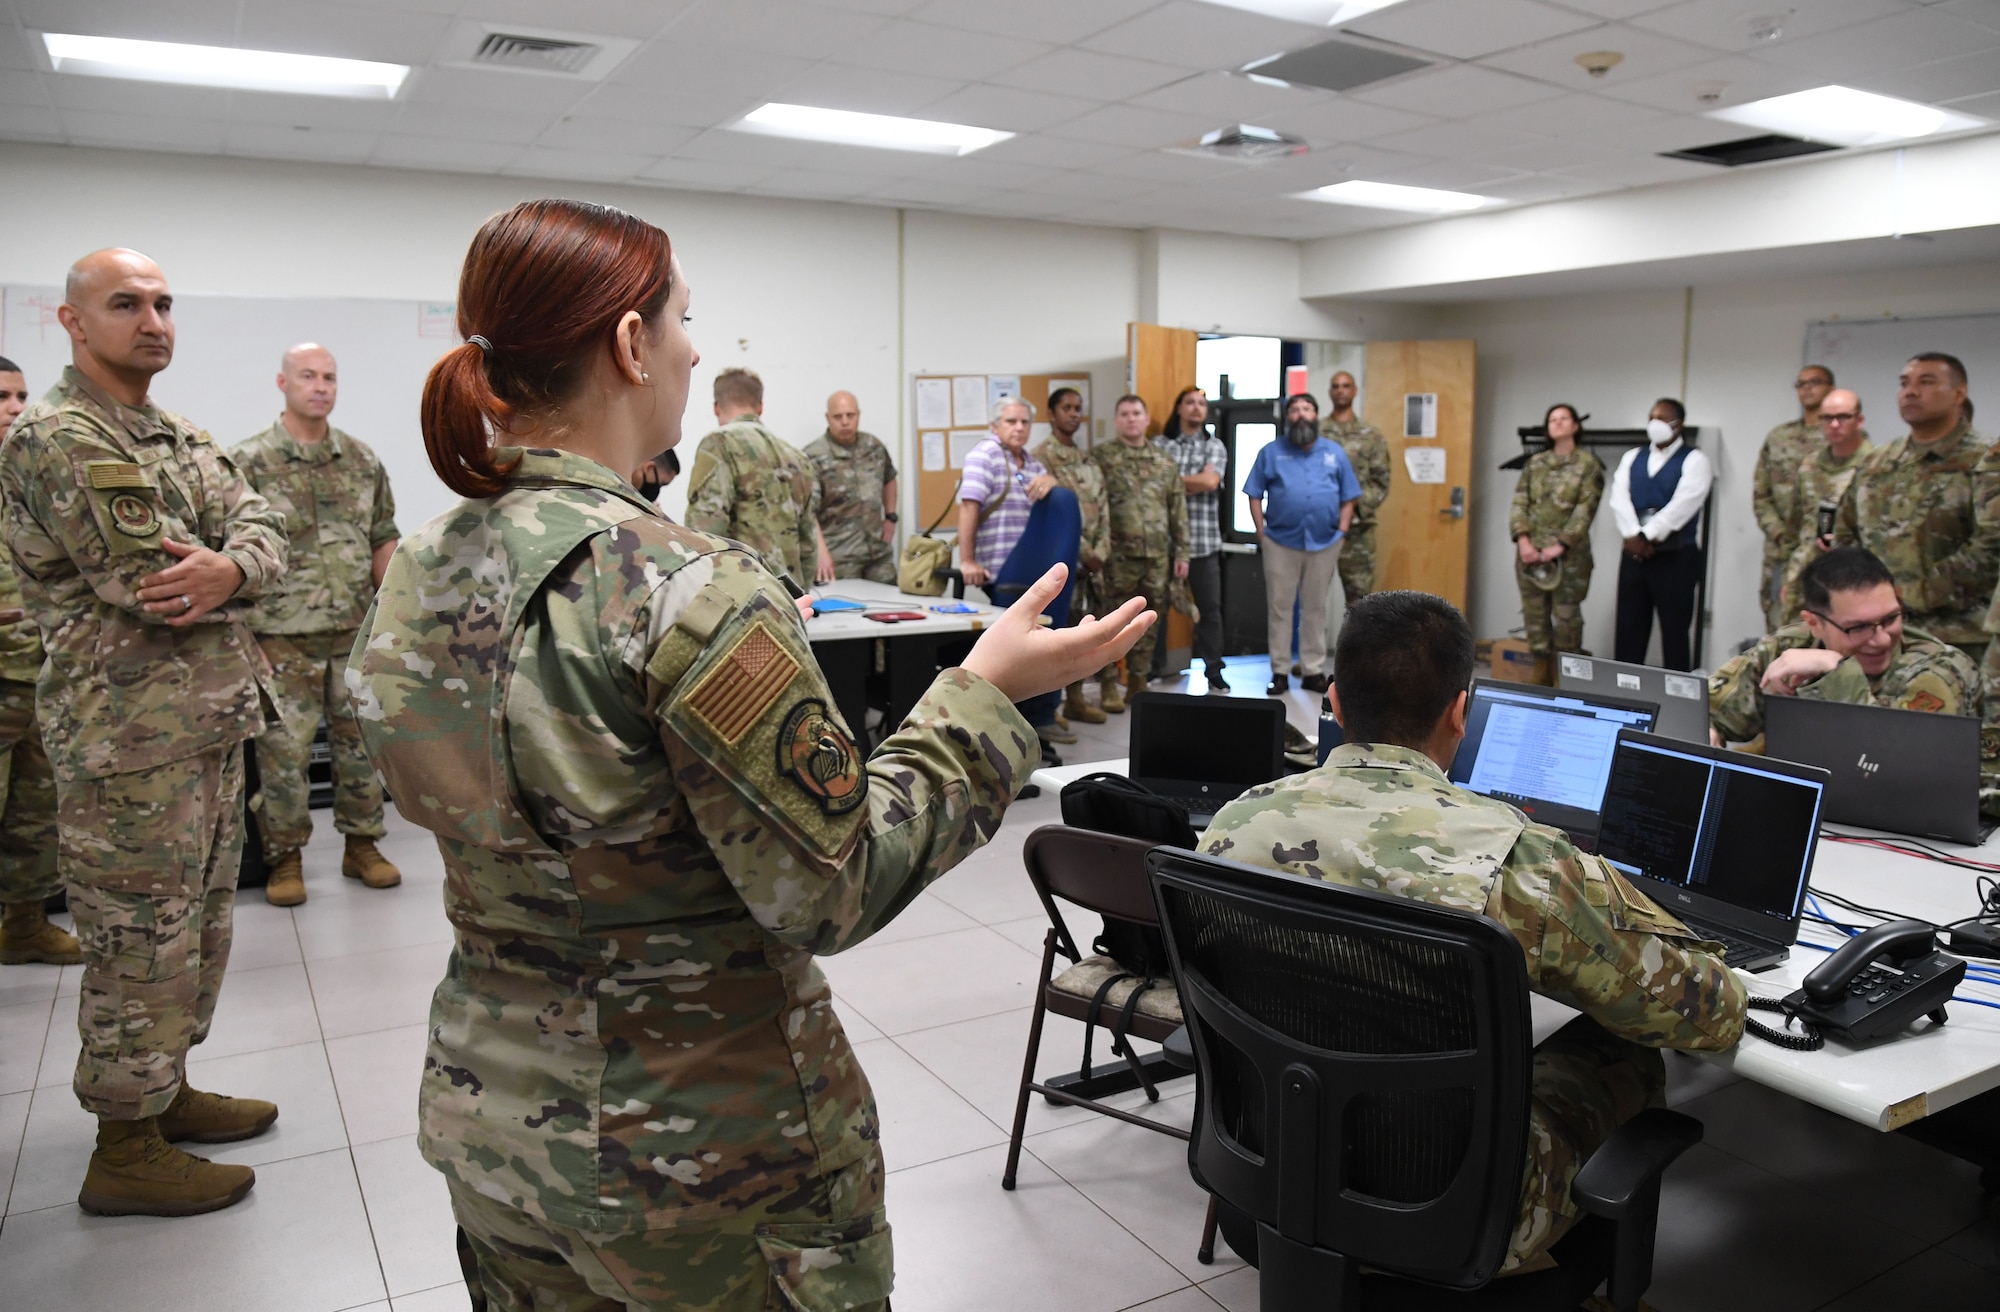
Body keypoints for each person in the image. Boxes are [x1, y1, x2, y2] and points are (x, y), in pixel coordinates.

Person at [349, 198, 1153, 1310]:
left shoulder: (420, 568)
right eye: (682, 320)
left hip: (495, 1132)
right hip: (707, 1161)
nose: (690, 348)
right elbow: (833, 885)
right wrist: (984, 695)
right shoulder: (682, 587)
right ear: (630, 346)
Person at [1199, 590, 1744, 1277]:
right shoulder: (1521, 862)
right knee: (1625, 1056)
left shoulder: (1233, 824)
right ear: (1461, 711)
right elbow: (1710, 1016)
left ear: (1334, 703)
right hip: (1452, 1207)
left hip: (1268, 1158)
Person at [0, 249, 289, 1216]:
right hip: (126, 742)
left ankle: (162, 1095)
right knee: (137, 943)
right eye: (126, 304)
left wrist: (236, 566)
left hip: (201, 725)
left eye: (164, 303)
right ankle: (122, 1148)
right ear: (73, 322)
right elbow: (149, 581)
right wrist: (226, 566)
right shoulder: (58, 435)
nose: (153, 320)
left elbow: (264, 521)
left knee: (198, 930)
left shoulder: (168, 430)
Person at [229, 344, 401, 907]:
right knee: (284, 755)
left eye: (329, 377)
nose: (320, 386)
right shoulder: (249, 461)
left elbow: (382, 535)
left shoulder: (360, 459)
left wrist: (393, 608)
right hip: (281, 636)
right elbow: (232, 549)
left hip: (351, 629)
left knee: (360, 748)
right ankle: (284, 858)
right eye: (308, 376)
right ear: (283, 382)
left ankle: (363, 846)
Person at [1708, 546, 1975, 746]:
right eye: (1858, 627)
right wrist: (1709, 733)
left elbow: (1896, 761)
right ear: (1814, 624)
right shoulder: (1789, 647)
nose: (1881, 638)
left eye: (1891, 618)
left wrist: (1836, 671)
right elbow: (1705, 712)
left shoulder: (1940, 669)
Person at [1836, 352, 1992, 664]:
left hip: (1957, 639)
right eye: (1904, 383)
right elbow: (1845, 532)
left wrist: (1911, 595)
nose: (1910, 391)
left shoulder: (1986, 461)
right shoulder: (1877, 462)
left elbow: (1991, 547)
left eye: (1926, 381)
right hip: (1875, 636)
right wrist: (1866, 597)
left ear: (1959, 393)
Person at [0, 356, 76, 967]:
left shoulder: (36, 479)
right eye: (2, 396)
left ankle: (23, 924)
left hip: (39, 675)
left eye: (21, 394)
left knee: (34, 814)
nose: (15, 407)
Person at [958, 397, 1070, 758]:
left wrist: (1051, 480)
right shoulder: (984, 456)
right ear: (995, 426)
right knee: (1012, 655)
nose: (1019, 427)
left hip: (1032, 574)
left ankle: (1034, 723)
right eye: (1010, 421)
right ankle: (1006, 733)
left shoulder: (1032, 463)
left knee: (1039, 649)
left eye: (1024, 421)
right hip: (1000, 570)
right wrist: (967, 559)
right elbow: (969, 507)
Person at [1244, 392, 1359, 696]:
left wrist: (1342, 531)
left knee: (1315, 609)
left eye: (1306, 408)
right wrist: (1261, 531)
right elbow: (1254, 492)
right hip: (1280, 543)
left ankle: (1312, 671)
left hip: (1324, 543)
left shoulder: (1334, 452)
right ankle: (1280, 671)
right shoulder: (1271, 451)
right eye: (1294, 409)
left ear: (1316, 415)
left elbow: (1350, 495)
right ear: (1287, 417)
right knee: (1280, 608)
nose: (1300, 413)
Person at [1094, 394, 1188, 713]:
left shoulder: (1164, 462)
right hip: (1116, 558)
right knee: (1109, 622)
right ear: (1117, 420)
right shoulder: (1101, 458)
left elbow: (1178, 510)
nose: (1131, 419)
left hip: (1157, 557)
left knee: (1147, 623)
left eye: (1137, 413)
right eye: (1124, 414)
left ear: (1147, 419)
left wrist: (1182, 554)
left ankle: (1137, 682)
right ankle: (1108, 682)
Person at [684, 366, 820, 584]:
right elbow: (808, 544)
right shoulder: (797, 456)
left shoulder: (719, 443)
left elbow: (705, 527)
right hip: (788, 597)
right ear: (761, 407)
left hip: (742, 595)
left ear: (717, 408)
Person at [1610, 398, 1711, 671]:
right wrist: (1633, 535)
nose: (1656, 424)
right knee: (1628, 629)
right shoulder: (1632, 457)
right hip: (1635, 556)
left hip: (1676, 558)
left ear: (1678, 425)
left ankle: (1678, 697)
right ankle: (1623, 694)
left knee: (1675, 633)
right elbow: (1619, 499)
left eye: (1663, 419)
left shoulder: (1695, 460)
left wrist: (1648, 536)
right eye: (1652, 417)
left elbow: (1684, 504)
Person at [1032, 387, 1110, 730]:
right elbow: (1053, 518)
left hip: (1094, 564)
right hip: (1063, 561)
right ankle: (1054, 706)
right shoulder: (1041, 459)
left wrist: (1101, 553)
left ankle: (1077, 699)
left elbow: (1104, 511)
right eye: (1066, 408)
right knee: (1060, 635)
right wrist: (1083, 554)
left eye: (1078, 408)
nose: (1074, 414)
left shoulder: (1087, 460)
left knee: (1087, 629)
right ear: (1052, 414)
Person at [1510, 403, 1604, 668]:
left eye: (1564, 418)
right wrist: (1523, 540)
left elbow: (1586, 510)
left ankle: (1567, 681)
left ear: (1575, 426)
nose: (1558, 423)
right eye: (1553, 419)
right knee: (1534, 617)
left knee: (1566, 619)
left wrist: (1561, 545)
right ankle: (1541, 674)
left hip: (1569, 558)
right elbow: (1519, 503)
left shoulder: (1588, 465)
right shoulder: (1535, 464)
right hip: (1530, 554)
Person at [1775, 389, 1873, 619]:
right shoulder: (1810, 466)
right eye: (1827, 418)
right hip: (1806, 575)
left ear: (1859, 420)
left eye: (1843, 417)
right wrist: (1790, 576)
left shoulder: (1875, 466)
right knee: (1795, 647)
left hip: (1851, 580)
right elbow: (1794, 527)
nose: (1835, 424)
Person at [1158, 386, 1230, 692]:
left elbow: (1210, 481)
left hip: (1203, 543)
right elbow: (1153, 484)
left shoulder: (1214, 446)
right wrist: (1193, 481)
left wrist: (1173, 480)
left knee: (1210, 611)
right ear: (1179, 408)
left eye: (1201, 403)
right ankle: (1153, 668)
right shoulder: (1161, 444)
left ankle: (1213, 670)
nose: (1196, 408)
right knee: (1154, 609)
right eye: (1190, 402)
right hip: (1164, 544)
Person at [1754, 365, 1834, 629]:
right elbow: (1761, 494)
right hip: (1781, 551)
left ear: (1830, 388)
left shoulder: (1839, 436)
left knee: (1827, 623)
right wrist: (1781, 533)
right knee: (1779, 624)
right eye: (1801, 384)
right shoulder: (1779, 437)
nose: (1807, 388)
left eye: (1815, 382)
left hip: (1824, 553)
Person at [806, 390, 897, 584]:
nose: (845, 422)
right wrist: (821, 554)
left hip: (878, 554)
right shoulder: (813, 455)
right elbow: (807, 511)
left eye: (850, 415)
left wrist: (890, 516)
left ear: (858, 415)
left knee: (891, 608)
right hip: (839, 555)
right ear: (827, 418)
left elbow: (890, 477)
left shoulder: (873, 446)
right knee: (846, 610)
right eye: (838, 417)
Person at [1319, 370, 1391, 604]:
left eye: (1346, 385)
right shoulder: (1316, 433)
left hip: (1359, 531)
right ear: (1330, 392)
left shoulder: (1371, 436)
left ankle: (1355, 643)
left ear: (1355, 390)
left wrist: (1353, 505)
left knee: (1361, 602)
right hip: (1321, 528)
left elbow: (1381, 480)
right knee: (1313, 598)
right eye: (1336, 386)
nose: (1341, 390)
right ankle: (1313, 643)